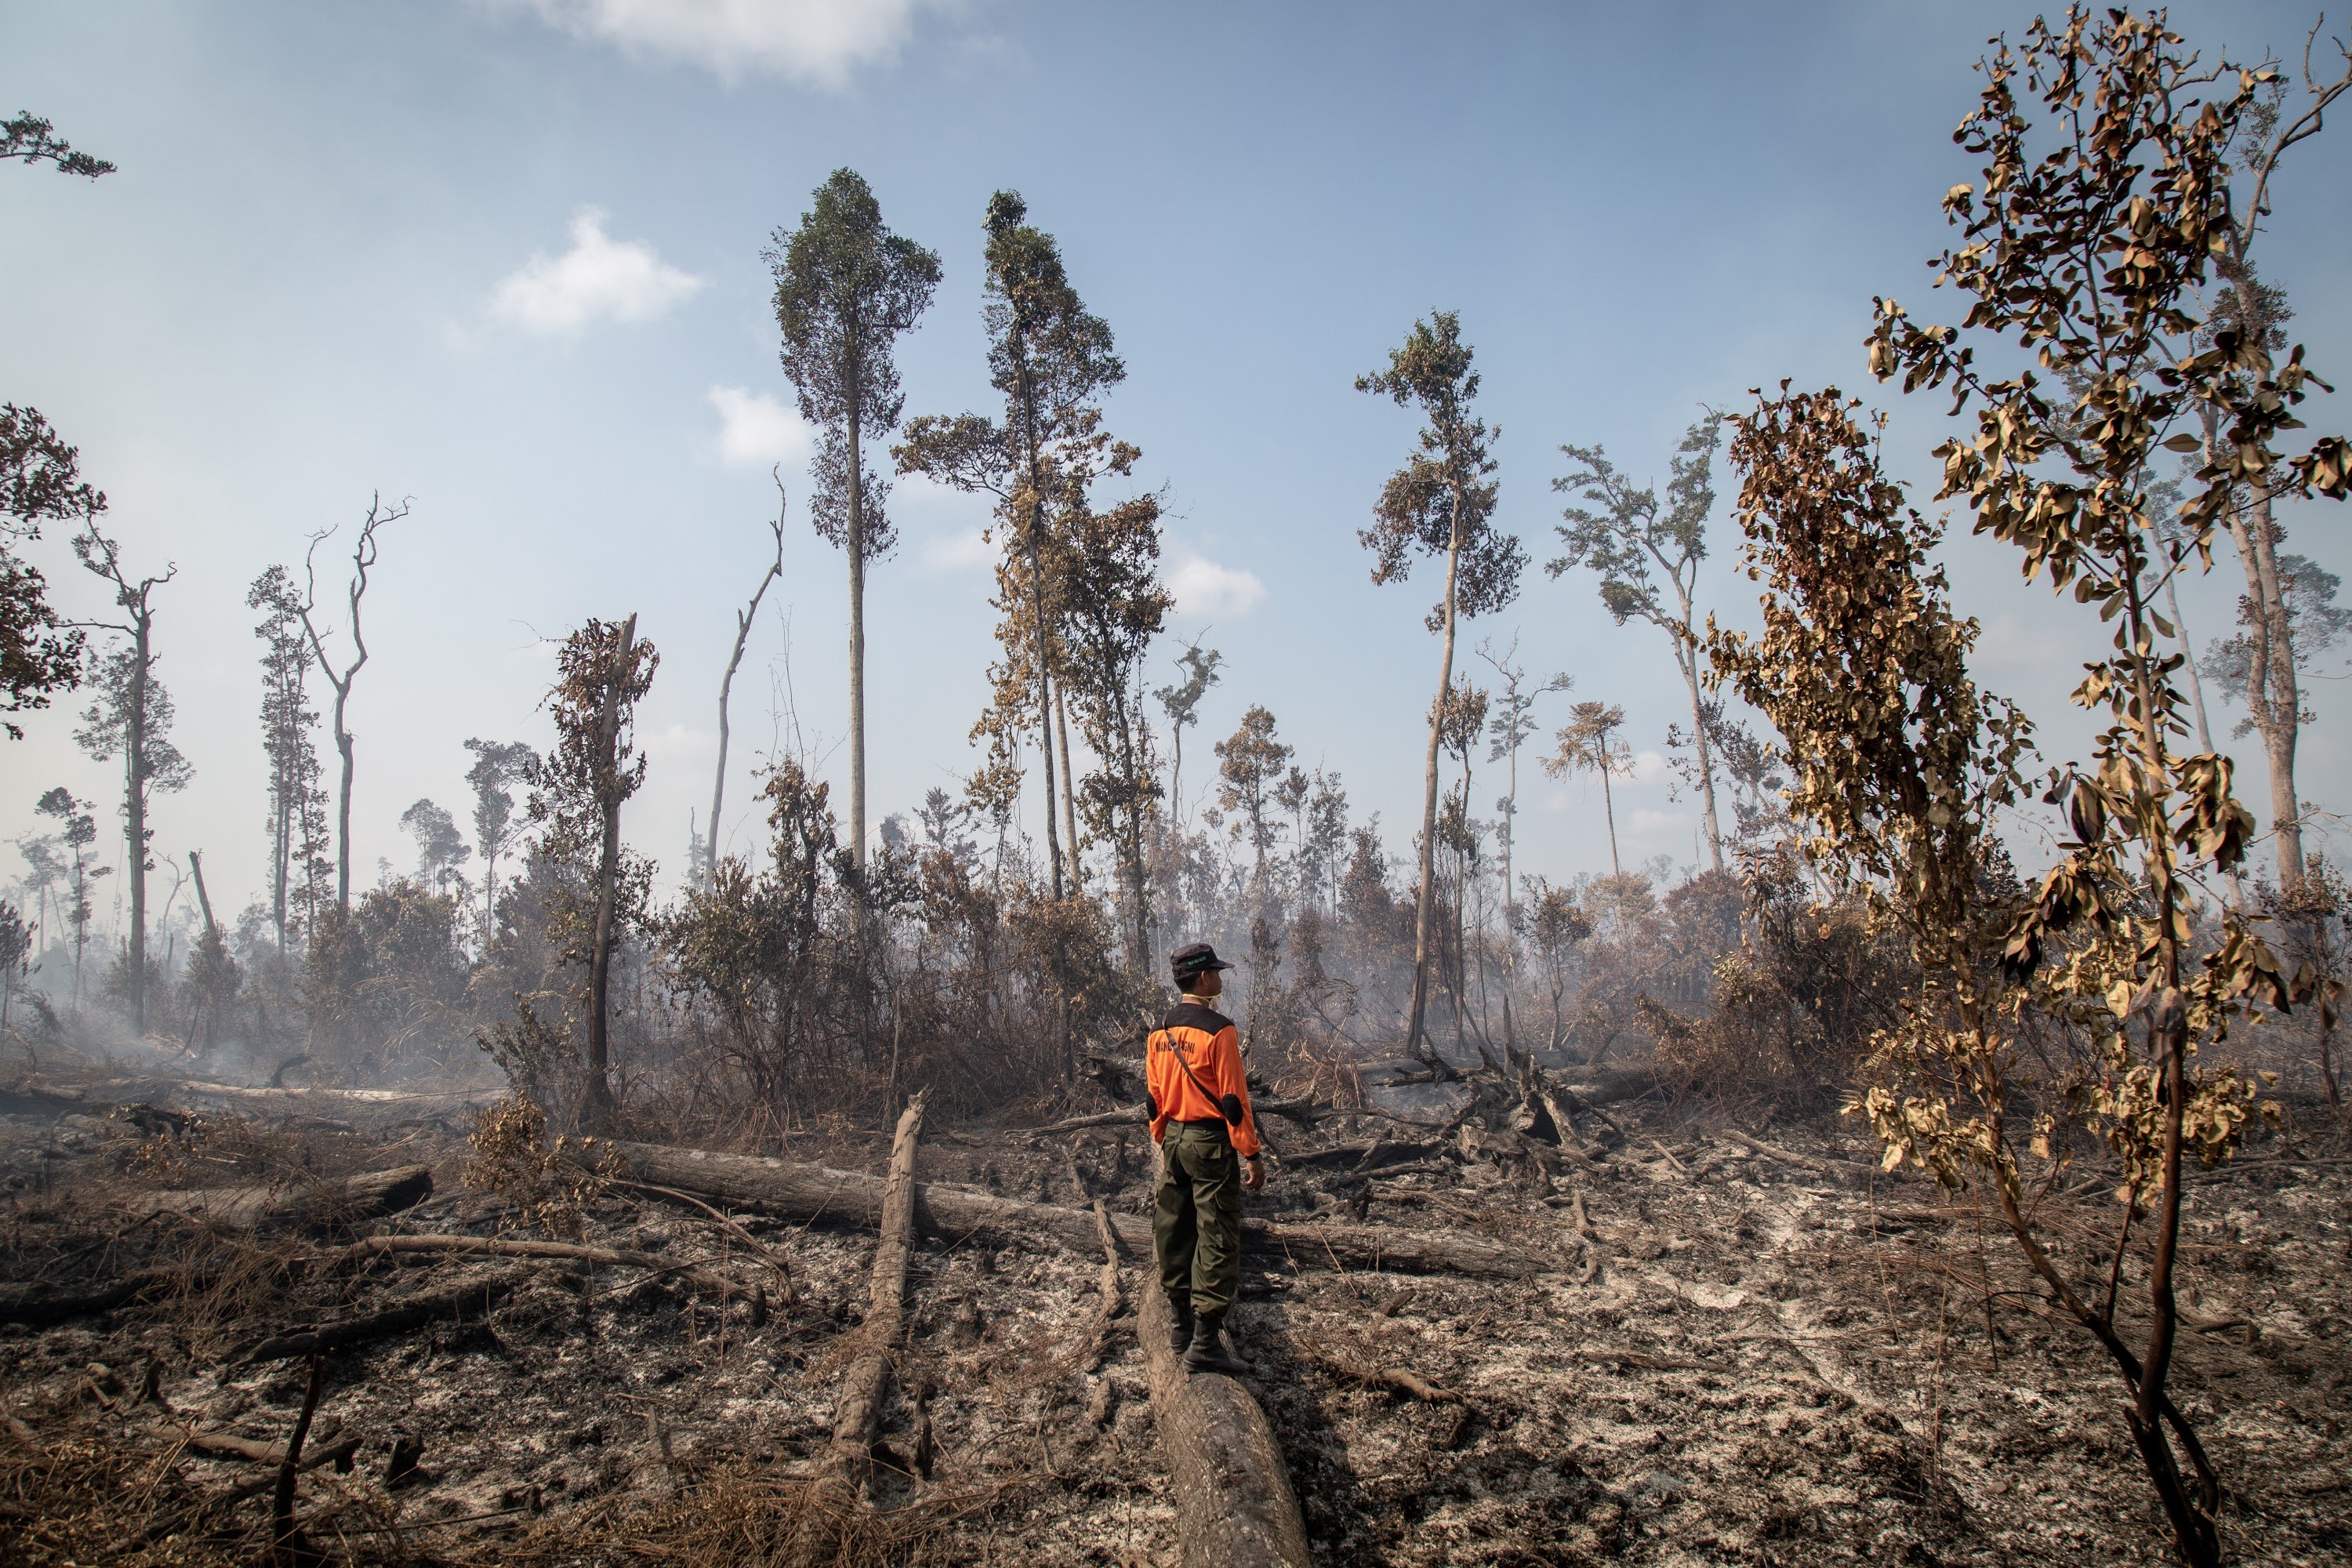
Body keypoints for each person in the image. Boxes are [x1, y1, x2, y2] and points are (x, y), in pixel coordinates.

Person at [1147, 941, 1264, 1376]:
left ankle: (1178, 1326)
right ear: (1202, 980)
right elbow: (1234, 1100)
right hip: (1211, 1141)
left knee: (1174, 1228)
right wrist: (1250, 1154)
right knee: (1217, 1233)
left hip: (1174, 1140)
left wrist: (1163, 1140)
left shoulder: (1160, 1030)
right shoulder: (1220, 1030)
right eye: (1216, 972)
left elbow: (1154, 1099)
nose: (1220, 978)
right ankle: (1205, 1343)